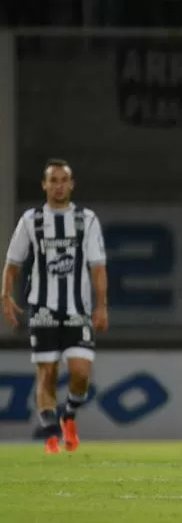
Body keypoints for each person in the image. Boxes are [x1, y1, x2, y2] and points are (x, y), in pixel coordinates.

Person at [1, 159, 108, 454]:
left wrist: (102, 306)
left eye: (64, 180)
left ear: (71, 184)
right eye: (53, 180)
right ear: (44, 185)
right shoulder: (31, 220)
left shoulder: (86, 220)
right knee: (46, 372)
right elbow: (13, 264)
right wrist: (5, 295)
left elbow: (98, 267)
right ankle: (50, 436)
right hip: (43, 309)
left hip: (77, 310)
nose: (59, 185)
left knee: (81, 374)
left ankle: (68, 415)